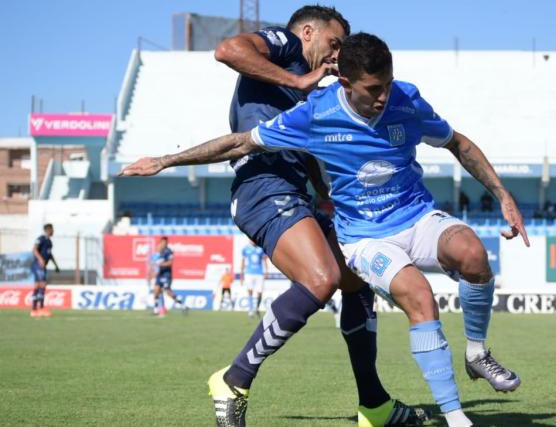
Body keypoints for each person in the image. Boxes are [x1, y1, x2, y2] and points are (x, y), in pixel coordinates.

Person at [121, 32, 531, 427]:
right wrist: (164, 161)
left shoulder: (406, 98)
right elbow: (240, 143)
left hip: (417, 216)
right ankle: (455, 417)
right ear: (347, 83)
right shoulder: (316, 113)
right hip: (365, 238)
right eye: (373, 89)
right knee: (416, 296)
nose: (383, 97)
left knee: (474, 255)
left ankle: (473, 354)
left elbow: (457, 143)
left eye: (387, 84)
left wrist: (503, 195)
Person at [152, 237, 188, 316]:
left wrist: (160, 264)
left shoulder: (169, 252)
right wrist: (156, 271)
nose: (163, 244)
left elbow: (170, 263)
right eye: (162, 242)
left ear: (167, 243)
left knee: (168, 292)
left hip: (166, 275)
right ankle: (155, 310)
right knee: (156, 291)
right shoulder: (159, 252)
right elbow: (156, 264)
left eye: (165, 242)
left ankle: (183, 304)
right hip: (160, 275)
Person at [30, 223, 59, 317]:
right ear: (48, 230)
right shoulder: (41, 239)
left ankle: (34, 310)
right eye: (52, 229)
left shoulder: (49, 242)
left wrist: (56, 265)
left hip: (43, 266)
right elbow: (34, 249)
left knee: (38, 285)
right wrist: (40, 259)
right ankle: (41, 308)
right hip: (38, 265)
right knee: (42, 284)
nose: (53, 231)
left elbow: (50, 255)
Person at [240, 240, 267, 317]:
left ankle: (256, 308)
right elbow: (243, 261)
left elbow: (265, 260)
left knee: (259, 292)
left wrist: (266, 271)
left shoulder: (260, 249)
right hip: (249, 273)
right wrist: (242, 275)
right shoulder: (245, 248)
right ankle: (250, 310)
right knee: (250, 291)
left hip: (259, 273)